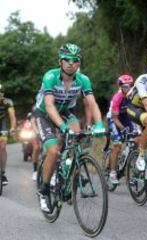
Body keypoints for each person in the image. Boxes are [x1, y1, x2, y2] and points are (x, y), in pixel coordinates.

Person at [34, 43, 106, 212]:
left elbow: (92, 102)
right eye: (67, 59)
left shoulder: (83, 79)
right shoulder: (50, 76)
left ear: (79, 63)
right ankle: (44, 190)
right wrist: (62, 127)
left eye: (75, 60)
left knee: (78, 137)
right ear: (60, 61)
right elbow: (50, 105)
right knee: (53, 151)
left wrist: (99, 124)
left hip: (65, 111)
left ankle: (68, 170)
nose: (71, 63)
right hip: (45, 114)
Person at [106, 74, 136, 184]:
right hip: (114, 118)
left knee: (136, 140)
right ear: (121, 87)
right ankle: (112, 173)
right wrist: (123, 129)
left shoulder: (134, 95)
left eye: (130, 86)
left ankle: (129, 166)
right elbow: (114, 118)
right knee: (117, 145)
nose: (128, 88)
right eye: (126, 86)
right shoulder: (117, 98)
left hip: (125, 116)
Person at [0, 84, 16, 185]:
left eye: (0, 93)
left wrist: (13, 128)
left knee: (2, 146)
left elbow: (12, 117)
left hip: (2, 123)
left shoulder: (7, 102)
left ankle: (3, 172)